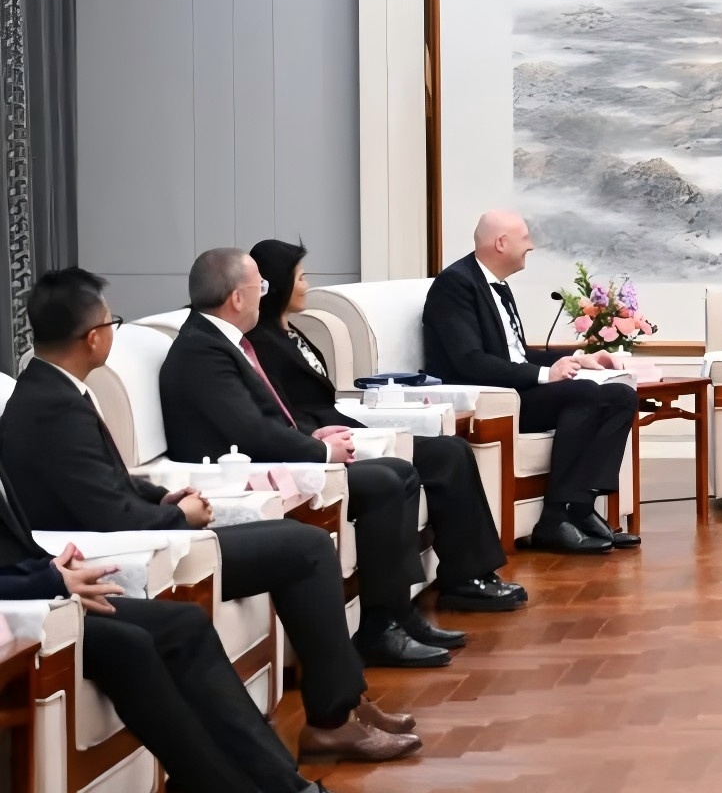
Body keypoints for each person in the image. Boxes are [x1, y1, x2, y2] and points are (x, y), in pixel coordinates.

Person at [0, 268, 418, 764]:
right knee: (303, 548)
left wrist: (164, 498)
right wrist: (181, 518)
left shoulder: (52, 389)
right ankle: (334, 720)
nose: (113, 332)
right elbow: (106, 512)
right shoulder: (53, 406)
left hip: (146, 531)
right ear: (94, 338)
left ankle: (343, 705)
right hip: (129, 551)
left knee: (299, 547)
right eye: (112, 323)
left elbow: (107, 482)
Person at [0, 486, 400, 793]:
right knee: (129, 645)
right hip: (19, 611)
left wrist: (54, 569)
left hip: (35, 595)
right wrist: (47, 581)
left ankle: (288, 790)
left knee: (184, 624)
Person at [160, 249, 458, 668]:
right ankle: (381, 629)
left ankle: (396, 614)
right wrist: (321, 451)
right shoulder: (201, 352)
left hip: (270, 458)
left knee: (400, 473)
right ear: (237, 298)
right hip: (244, 474)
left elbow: (264, 420)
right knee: (386, 481)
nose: (265, 295)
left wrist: (310, 436)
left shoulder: (220, 341)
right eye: (260, 287)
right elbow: (251, 432)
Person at [248, 239, 524, 614]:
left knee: (451, 449)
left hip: (346, 427)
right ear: (278, 284)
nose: (307, 286)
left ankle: (471, 574)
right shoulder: (260, 344)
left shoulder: (292, 332)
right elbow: (287, 413)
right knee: (443, 455)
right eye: (301, 278)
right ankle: (460, 581)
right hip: (329, 440)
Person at [422, 210, 638, 555]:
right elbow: (469, 361)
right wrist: (546, 375)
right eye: (525, 238)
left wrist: (578, 357)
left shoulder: (499, 286)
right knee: (584, 393)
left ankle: (580, 508)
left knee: (620, 396)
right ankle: (555, 517)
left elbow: (518, 355)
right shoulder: (455, 285)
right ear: (501, 243)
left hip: (517, 390)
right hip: (491, 400)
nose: (531, 246)